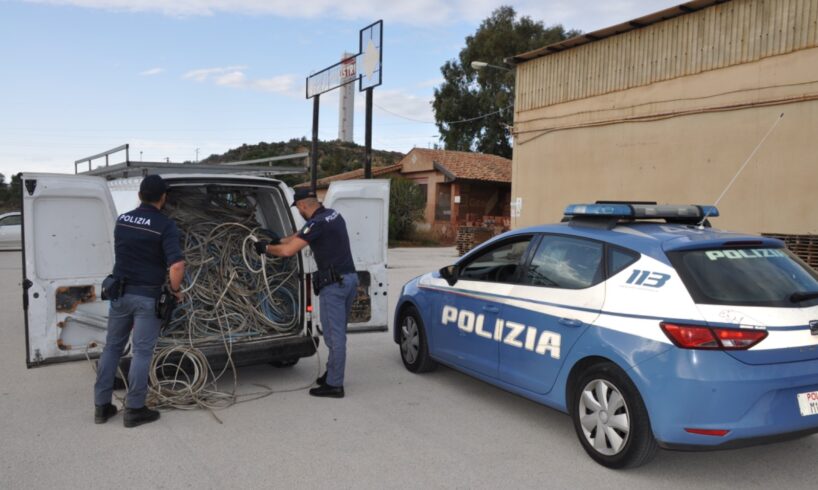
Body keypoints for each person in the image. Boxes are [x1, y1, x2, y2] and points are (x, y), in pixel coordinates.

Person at [94, 175, 185, 427]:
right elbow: (177, 265)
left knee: (112, 347)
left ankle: (102, 407)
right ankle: (134, 409)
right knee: (142, 352)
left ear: (139, 195)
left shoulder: (123, 220)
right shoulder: (165, 225)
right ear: (163, 197)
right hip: (147, 297)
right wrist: (175, 291)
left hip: (119, 294)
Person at [255, 189, 358, 399]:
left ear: (302, 205)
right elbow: (297, 237)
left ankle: (335, 385)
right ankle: (332, 373)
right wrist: (277, 241)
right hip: (349, 280)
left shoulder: (317, 223)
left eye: (298, 208)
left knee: (334, 337)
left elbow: (288, 251)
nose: (300, 212)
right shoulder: (332, 215)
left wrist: (266, 249)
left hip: (335, 286)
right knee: (337, 333)